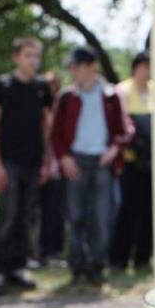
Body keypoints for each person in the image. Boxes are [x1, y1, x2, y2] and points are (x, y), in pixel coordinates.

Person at [52, 46, 129, 287]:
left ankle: (97, 265)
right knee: (75, 216)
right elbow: (55, 133)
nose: (72, 71)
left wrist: (114, 148)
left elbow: (123, 130)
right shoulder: (66, 97)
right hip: (76, 160)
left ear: (89, 67)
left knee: (101, 216)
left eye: (75, 66)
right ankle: (77, 265)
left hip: (101, 162)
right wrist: (63, 157)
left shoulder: (110, 96)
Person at [0, 37, 53, 295]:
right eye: (27, 55)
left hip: (33, 161)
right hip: (8, 161)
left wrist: (48, 159)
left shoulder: (41, 87)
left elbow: (45, 126)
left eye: (36, 56)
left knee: (27, 216)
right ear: (16, 57)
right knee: (8, 214)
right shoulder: (3, 85)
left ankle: (19, 266)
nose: (32, 61)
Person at [111, 52, 155, 271]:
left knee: (151, 211)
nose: (148, 71)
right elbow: (122, 121)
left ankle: (143, 258)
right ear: (135, 68)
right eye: (144, 66)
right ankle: (119, 258)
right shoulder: (122, 90)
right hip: (131, 160)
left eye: (151, 66)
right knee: (127, 210)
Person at [38, 70, 66, 265]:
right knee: (36, 212)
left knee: (55, 211)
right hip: (37, 166)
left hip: (58, 167)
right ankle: (36, 252)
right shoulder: (35, 107)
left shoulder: (62, 108)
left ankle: (53, 251)